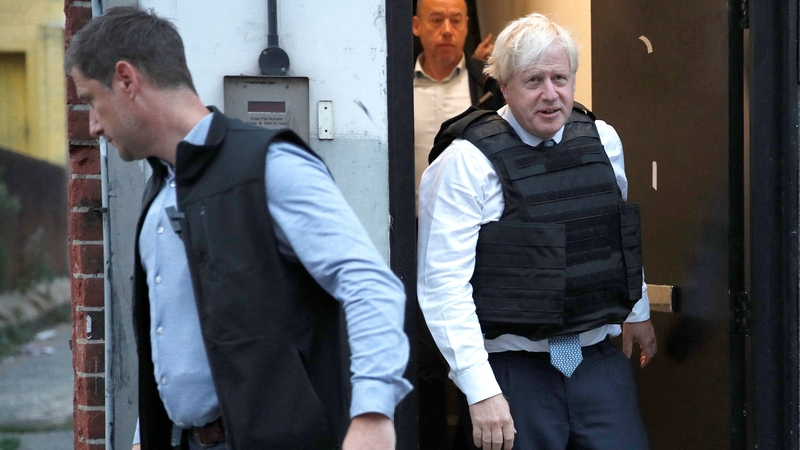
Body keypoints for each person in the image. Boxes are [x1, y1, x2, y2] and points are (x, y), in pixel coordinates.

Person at [64, 6, 412, 450]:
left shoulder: (270, 165)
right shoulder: (160, 190)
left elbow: (368, 283)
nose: (93, 125)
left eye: (93, 100)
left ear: (127, 80)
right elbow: (176, 331)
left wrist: (372, 413)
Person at [418, 12, 657, 450]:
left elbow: (616, 233)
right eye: (534, 81)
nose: (551, 95)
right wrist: (481, 390)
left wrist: (638, 312)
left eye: (560, 78)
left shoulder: (603, 140)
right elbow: (442, 286)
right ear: (504, 86)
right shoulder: (464, 163)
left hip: (598, 365)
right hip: (513, 371)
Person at [413, 0, 505, 201]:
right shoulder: (396, 87)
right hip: (408, 221)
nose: (447, 30)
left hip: (476, 217)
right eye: (437, 20)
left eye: (455, 21)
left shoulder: (490, 85)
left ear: (466, 25)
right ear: (416, 25)